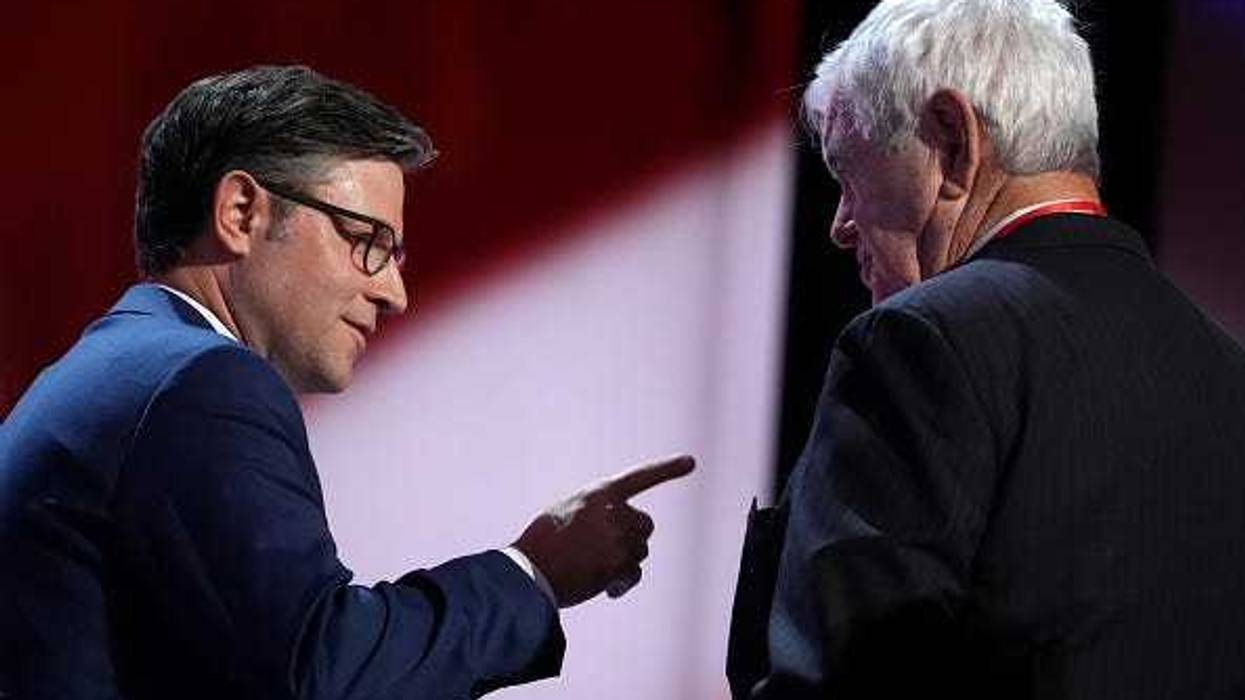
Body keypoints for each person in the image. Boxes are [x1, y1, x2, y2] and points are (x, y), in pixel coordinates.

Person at [0, 65, 694, 700]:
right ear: (241, 213)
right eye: (367, 241)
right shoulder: (202, 387)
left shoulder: (121, 370)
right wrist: (533, 573)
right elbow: (324, 672)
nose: (394, 293)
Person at [727, 0, 1245, 697]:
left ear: (950, 139)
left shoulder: (919, 343)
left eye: (848, 174)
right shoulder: (1226, 370)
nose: (840, 225)